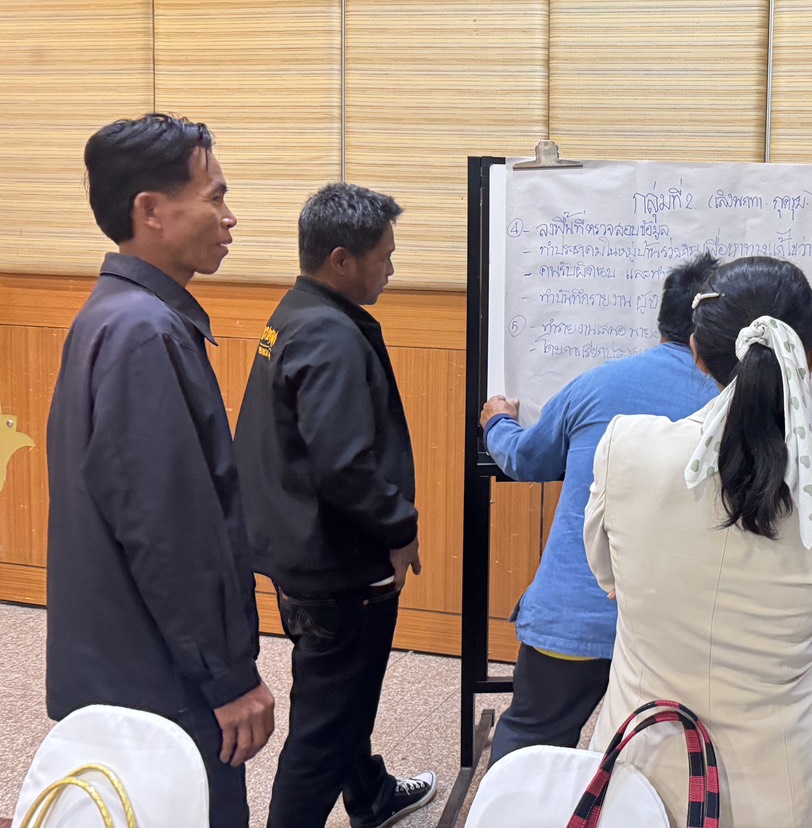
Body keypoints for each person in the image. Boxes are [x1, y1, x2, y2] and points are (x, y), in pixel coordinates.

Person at [584, 256, 812, 828]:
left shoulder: (625, 447)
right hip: (783, 790)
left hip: (639, 774)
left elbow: (609, 576)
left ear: (696, 352)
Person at [45, 114, 272, 828]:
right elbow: (170, 531)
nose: (229, 218)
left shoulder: (115, 315)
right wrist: (230, 678)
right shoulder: (142, 331)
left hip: (126, 664)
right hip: (159, 684)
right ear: (151, 210)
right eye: (214, 196)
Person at [233, 183, 434, 828]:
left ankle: (370, 795)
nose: (391, 269)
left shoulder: (297, 312)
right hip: (338, 565)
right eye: (384, 256)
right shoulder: (329, 337)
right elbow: (344, 467)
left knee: (338, 699)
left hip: (303, 550)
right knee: (323, 729)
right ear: (342, 259)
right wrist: (401, 526)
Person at [477, 253, 719, 762]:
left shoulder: (599, 383)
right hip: (682, 631)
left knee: (531, 739)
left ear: (663, 319)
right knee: (670, 759)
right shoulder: (738, 400)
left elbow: (525, 460)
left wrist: (497, 421)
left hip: (574, 617)